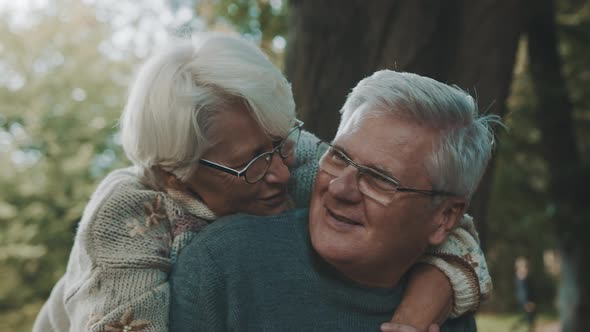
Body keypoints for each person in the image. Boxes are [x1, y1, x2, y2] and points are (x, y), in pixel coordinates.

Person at [33, 33, 489, 332]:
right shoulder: (125, 219)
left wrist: (418, 310)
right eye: (251, 161)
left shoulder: (298, 157)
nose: (283, 173)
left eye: (282, 141)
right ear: (178, 173)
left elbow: (446, 225)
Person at [170, 69, 501, 331]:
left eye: (380, 179)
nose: (340, 189)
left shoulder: (448, 314)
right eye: (339, 157)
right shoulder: (223, 264)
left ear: (444, 218)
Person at [511, 257, 536, 332]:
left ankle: (518, 327)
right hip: (525, 301)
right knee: (527, 319)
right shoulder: (521, 279)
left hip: (528, 300)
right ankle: (515, 327)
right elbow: (522, 292)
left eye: (526, 267)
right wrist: (526, 302)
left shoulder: (523, 278)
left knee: (529, 319)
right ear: (518, 268)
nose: (526, 269)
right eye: (524, 267)